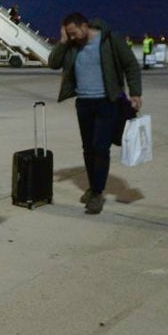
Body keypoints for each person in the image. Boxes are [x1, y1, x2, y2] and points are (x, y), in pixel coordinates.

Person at [47, 12, 141, 214]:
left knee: (100, 148)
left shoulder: (110, 40)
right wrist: (63, 41)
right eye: (69, 35)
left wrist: (135, 93)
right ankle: (93, 186)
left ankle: (97, 193)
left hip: (107, 102)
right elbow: (53, 63)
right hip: (84, 104)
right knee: (88, 148)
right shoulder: (71, 45)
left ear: (84, 26)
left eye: (73, 33)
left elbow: (131, 65)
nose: (72, 38)